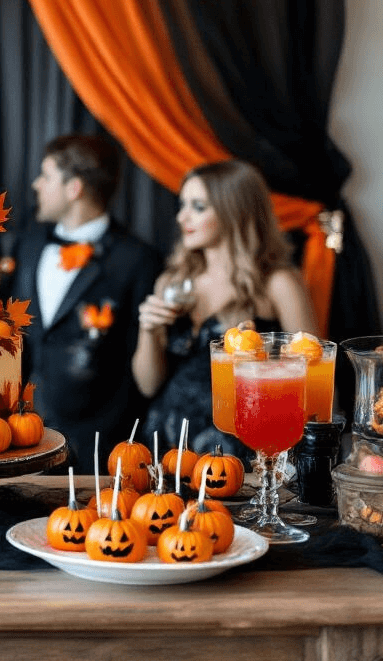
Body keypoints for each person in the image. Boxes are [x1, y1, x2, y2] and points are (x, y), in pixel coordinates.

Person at [134, 159, 318, 457]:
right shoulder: (173, 281)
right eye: (182, 205)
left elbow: (315, 377)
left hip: (239, 452)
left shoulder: (278, 283)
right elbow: (148, 385)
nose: (182, 217)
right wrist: (147, 329)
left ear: (235, 210)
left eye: (198, 206)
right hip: (167, 447)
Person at [0, 135, 163, 467]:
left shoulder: (137, 261)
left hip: (100, 448)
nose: (36, 185)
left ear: (75, 188)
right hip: (21, 436)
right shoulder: (26, 245)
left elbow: (140, 365)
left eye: (46, 176)